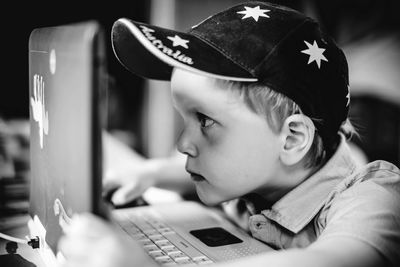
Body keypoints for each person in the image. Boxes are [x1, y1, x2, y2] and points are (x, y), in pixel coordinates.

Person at [58, 1, 400, 267]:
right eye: (184, 118)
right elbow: (210, 166)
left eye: (205, 120)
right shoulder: (257, 172)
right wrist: (152, 173)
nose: (181, 144)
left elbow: (334, 261)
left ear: (292, 139)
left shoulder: (374, 200)